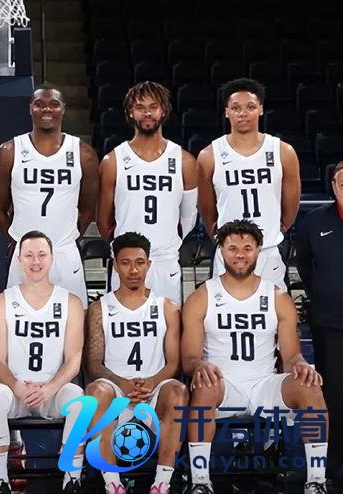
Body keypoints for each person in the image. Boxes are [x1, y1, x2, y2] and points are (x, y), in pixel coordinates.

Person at [182, 219, 329, 494]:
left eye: (247, 248)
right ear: (221, 251)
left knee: (310, 386)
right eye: (233, 248)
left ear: (259, 250)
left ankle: (316, 481)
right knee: (204, 384)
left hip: (265, 384)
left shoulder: (277, 297)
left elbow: (291, 356)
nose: (240, 255)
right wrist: (199, 365)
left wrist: (302, 365)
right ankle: (200, 481)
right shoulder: (202, 297)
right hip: (224, 385)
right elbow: (189, 359)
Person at [84, 232, 188, 494]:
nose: (133, 270)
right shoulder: (99, 308)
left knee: (178, 390)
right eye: (126, 263)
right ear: (115, 265)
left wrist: (151, 383)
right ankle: (113, 484)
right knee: (95, 391)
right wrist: (122, 383)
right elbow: (93, 364)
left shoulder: (167, 307)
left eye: (140, 263)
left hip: (154, 391)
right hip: (116, 391)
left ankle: (162, 483)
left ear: (149, 265)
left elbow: (174, 362)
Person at [0, 230, 85, 494]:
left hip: (53, 390)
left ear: (52, 258)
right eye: (29, 255)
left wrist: (50, 388)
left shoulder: (71, 302)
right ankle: (0, 480)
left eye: (42, 255)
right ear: (19, 259)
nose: (36, 261)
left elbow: (73, 360)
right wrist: (17, 385)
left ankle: (72, 478)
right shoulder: (1, 301)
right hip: (15, 389)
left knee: (78, 398)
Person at [0, 84, 99, 309]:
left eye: (54, 104)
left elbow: (88, 207)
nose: (46, 109)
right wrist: (17, 240)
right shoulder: (9, 151)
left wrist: (70, 235)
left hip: (64, 251)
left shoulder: (83, 153)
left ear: (63, 109)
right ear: (30, 108)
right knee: (18, 322)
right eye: (39, 104)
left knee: (73, 320)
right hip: (25, 254)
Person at [97, 82, 198, 305]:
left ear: (164, 111)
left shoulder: (185, 161)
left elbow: (188, 218)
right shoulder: (113, 161)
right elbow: (103, 221)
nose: (147, 113)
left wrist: (167, 242)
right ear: (130, 112)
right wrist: (125, 250)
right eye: (140, 107)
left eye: (153, 107)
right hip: (126, 263)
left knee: (168, 325)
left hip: (165, 262)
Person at [197, 78, 301, 291]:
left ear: (261, 109)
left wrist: (275, 230)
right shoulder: (209, 155)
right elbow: (206, 210)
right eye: (236, 108)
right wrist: (222, 238)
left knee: (274, 311)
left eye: (250, 107)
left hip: (268, 251)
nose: (242, 113)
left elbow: (290, 210)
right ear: (227, 112)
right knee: (224, 311)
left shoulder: (283, 152)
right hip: (229, 253)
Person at [296, 161, 343, 484]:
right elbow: (304, 265)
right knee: (334, 395)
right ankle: (333, 465)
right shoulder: (314, 222)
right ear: (333, 187)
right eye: (342, 182)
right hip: (330, 323)